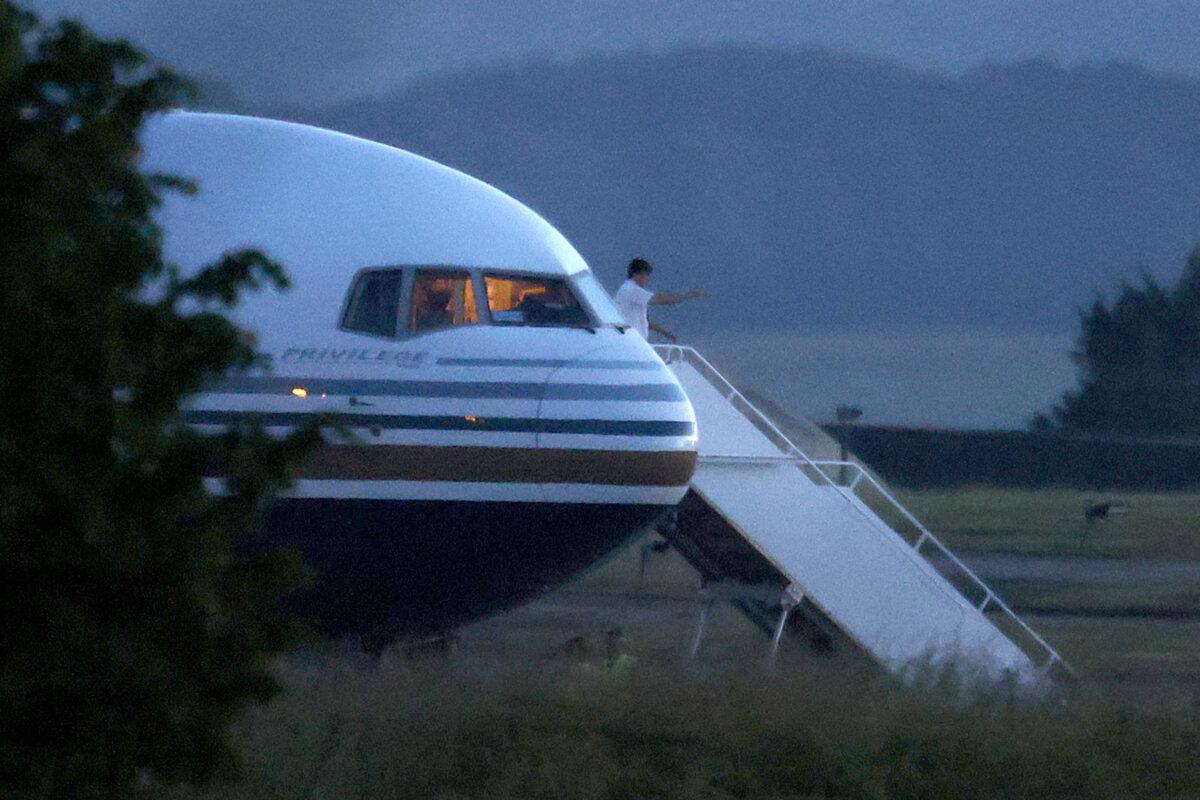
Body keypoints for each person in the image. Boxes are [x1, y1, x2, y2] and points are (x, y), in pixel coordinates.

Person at [613, 258, 704, 341]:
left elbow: (646, 322)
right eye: (646, 275)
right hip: (631, 340)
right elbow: (660, 299)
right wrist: (688, 295)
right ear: (636, 273)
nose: (648, 279)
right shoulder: (631, 289)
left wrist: (666, 333)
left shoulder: (630, 290)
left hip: (634, 339)